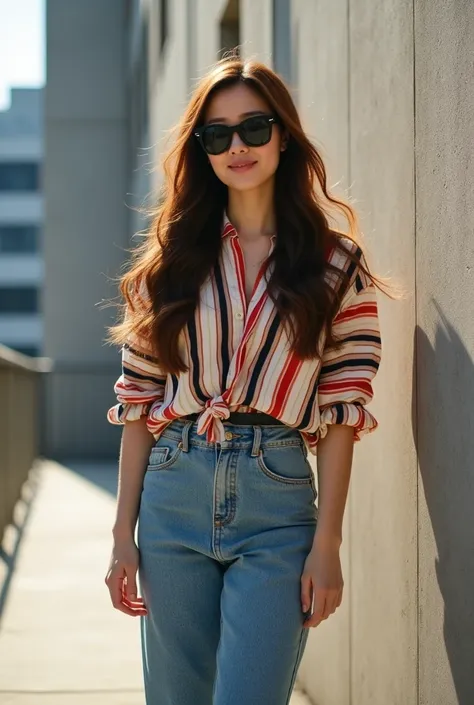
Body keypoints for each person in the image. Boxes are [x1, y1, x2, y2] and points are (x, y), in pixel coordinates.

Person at [104, 56, 385, 705]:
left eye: (255, 128)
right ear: (201, 150)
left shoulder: (336, 265)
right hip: (173, 491)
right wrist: (123, 534)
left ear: (284, 136)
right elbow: (139, 402)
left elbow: (344, 410)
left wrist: (329, 544)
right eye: (217, 134)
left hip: (278, 496)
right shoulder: (168, 262)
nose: (238, 146)